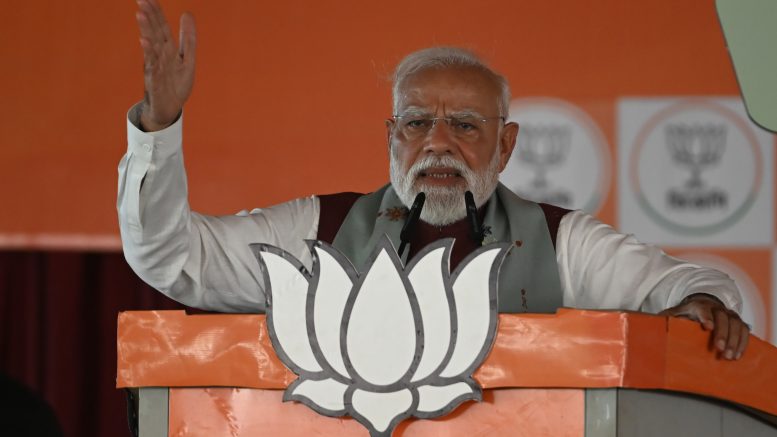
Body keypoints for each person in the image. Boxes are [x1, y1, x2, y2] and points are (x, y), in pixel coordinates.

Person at [120, 0, 750, 360]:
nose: (438, 142)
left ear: (506, 144)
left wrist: (701, 306)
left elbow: (688, 286)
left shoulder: (562, 243)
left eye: (466, 126)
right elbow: (174, 259)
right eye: (418, 122)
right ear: (390, 137)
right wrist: (160, 122)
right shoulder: (320, 230)